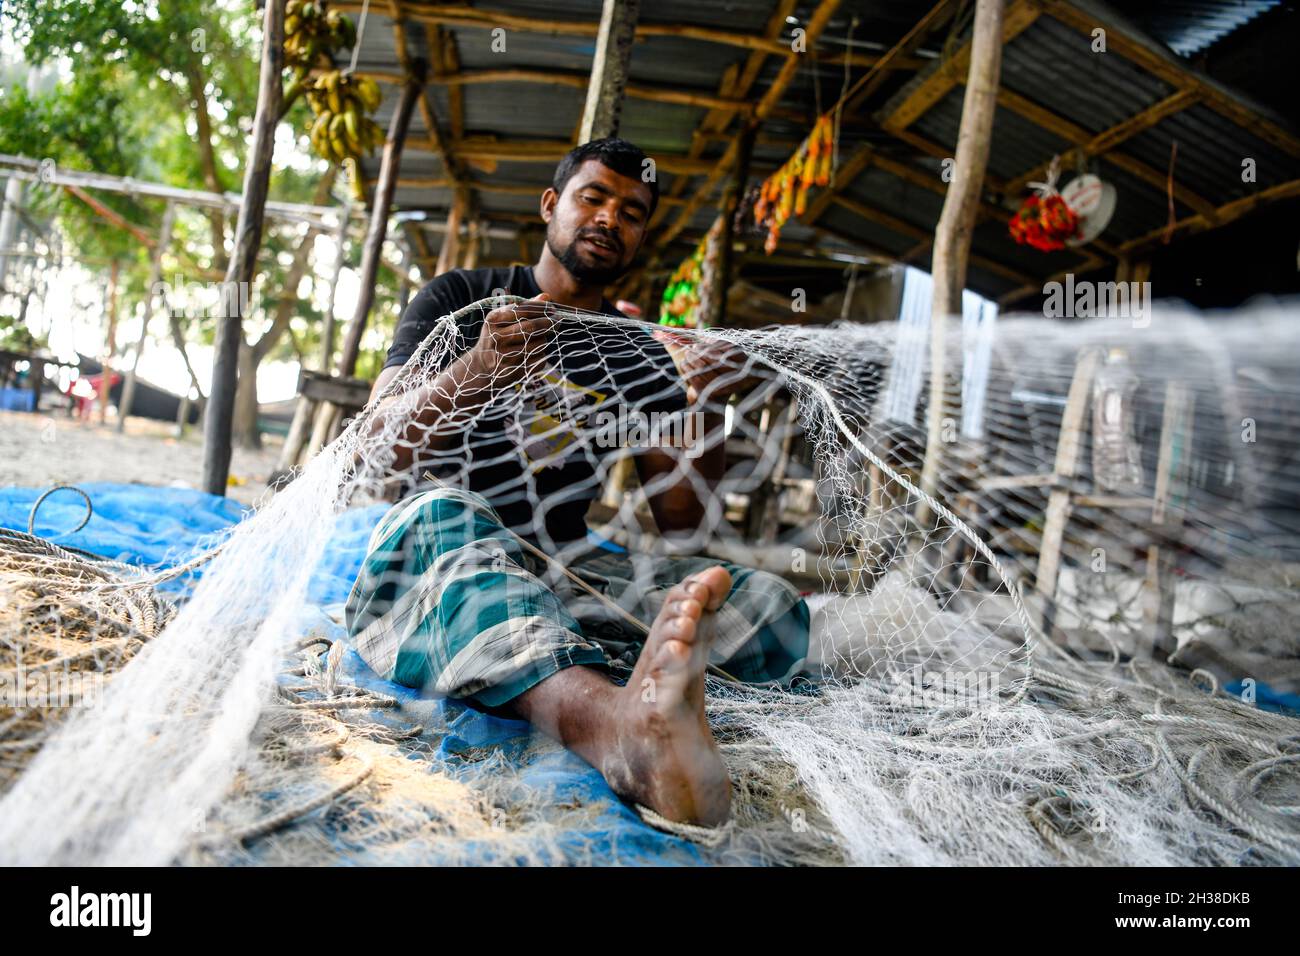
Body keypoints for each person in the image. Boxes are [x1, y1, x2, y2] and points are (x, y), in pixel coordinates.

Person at [346, 138, 809, 826]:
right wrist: (475, 369)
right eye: (594, 198)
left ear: (640, 236)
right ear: (551, 205)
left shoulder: (638, 353)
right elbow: (378, 450)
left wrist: (705, 406)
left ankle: (565, 659)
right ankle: (612, 728)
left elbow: (683, 522)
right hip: (446, 543)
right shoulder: (462, 299)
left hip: (567, 566)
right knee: (448, 517)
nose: (608, 219)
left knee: (771, 608)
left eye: (631, 212)